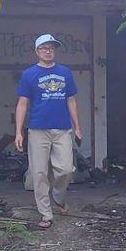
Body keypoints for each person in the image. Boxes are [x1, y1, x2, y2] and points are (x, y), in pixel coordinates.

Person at [14, 34, 82, 229]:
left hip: (62, 129)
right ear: (37, 51)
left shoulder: (65, 72)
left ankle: (59, 196)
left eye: (51, 47)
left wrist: (77, 127)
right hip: (37, 130)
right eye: (44, 47)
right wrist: (18, 132)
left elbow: (71, 100)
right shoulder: (29, 74)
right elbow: (22, 103)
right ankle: (46, 214)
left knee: (66, 169)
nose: (48, 50)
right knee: (39, 173)